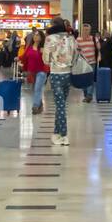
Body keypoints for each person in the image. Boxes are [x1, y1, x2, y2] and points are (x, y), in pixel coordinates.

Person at [44, 18, 76, 146]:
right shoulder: (71, 38)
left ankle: (64, 135)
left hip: (56, 74)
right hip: (68, 74)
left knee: (60, 105)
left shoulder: (50, 39)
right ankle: (56, 133)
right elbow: (74, 56)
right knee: (61, 104)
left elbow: (46, 59)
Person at [24, 29, 49, 115]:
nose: (36, 36)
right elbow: (24, 56)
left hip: (41, 71)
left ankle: (35, 106)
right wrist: (18, 58)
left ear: (42, 37)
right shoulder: (29, 47)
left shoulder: (44, 48)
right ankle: (40, 104)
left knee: (37, 88)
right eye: (34, 35)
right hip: (31, 72)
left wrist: (44, 52)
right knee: (34, 89)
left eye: (38, 35)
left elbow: (49, 59)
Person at [76, 23, 98, 103]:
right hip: (82, 63)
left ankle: (89, 95)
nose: (86, 31)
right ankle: (86, 94)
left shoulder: (93, 39)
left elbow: (98, 48)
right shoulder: (78, 40)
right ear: (81, 30)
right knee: (83, 80)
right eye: (84, 30)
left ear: (90, 31)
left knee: (90, 79)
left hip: (92, 62)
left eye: (87, 30)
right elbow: (76, 51)